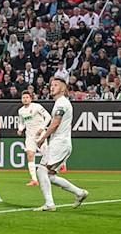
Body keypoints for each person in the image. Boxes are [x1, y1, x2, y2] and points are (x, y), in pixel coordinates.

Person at [35, 78, 89, 211]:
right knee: (51, 176)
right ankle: (80, 193)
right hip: (63, 143)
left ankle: (49, 204)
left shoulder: (61, 103)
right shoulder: (61, 103)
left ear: (63, 89)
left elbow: (56, 123)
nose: (52, 87)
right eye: (51, 84)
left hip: (59, 143)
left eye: (56, 85)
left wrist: (43, 138)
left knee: (41, 170)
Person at [17, 90, 51, 186]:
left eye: (27, 97)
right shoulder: (21, 111)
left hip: (40, 135)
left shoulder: (37, 107)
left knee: (46, 156)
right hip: (29, 136)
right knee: (30, 155)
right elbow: (22, 122)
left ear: (31, 98)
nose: (25, 99)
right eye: (23, 98)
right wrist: (20, 129)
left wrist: (42, 128)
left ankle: (49, 175)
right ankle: (34, 179)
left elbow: (48, 117)